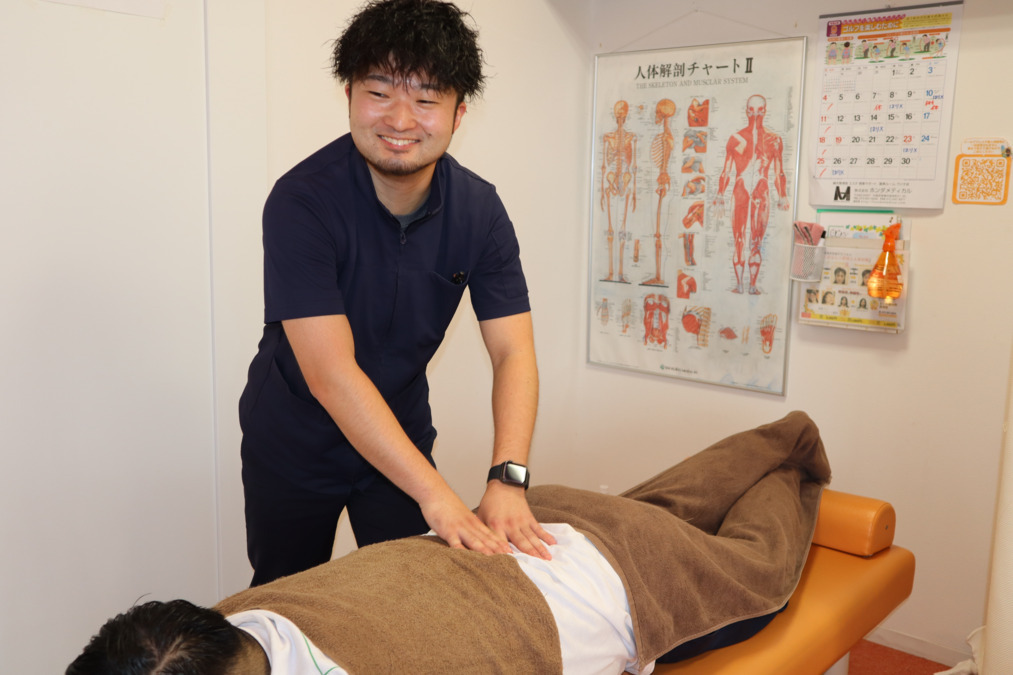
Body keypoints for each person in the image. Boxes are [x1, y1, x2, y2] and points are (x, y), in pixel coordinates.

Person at [67, 412, 831, 675]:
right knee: (660, 503)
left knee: (760, 572)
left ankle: (792, 449)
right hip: (526, 518)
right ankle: (771, 440)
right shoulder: (234, 619)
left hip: (626, 576)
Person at [238, 0, 553, 588]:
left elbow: (514, 351)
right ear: (351, 96)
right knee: (287, 597)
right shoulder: (301, 201)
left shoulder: (480, 212)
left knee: (415, 594)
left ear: (459, 114)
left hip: (400, 434)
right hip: (294, 439)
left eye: (427, 99)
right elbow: (332, 375)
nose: (400, 119)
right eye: (379, 92)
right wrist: (440, 498)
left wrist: (506, 479)